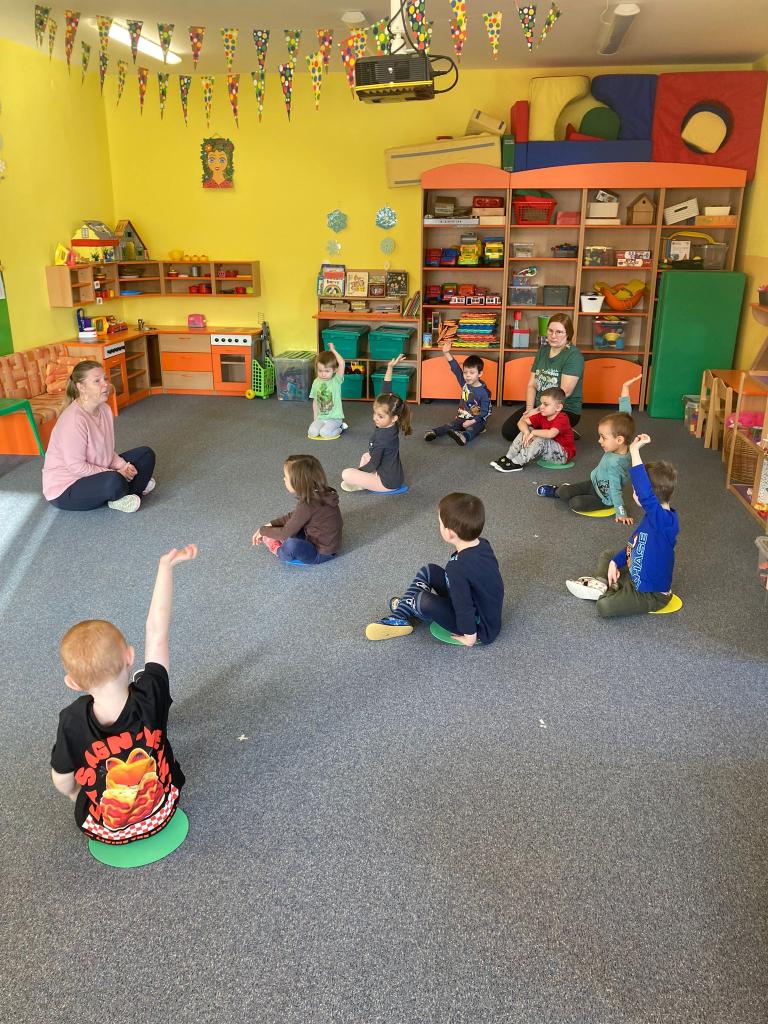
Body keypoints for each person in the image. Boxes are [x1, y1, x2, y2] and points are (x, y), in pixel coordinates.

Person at [50, 544, 197, 844]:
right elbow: (157, 632)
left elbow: (61, 778)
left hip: (104, 829)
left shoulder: (72, 720)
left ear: (73, 683)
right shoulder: (151, 693)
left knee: (77, 789)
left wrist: (75, 795)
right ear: (130, 657)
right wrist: (165, 568)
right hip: (162, 810)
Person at [365, 492, 503, 645]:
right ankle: (403, 611)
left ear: (449, 533)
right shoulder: (483, 544)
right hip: (480, 606)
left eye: (440, 523)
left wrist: (470, 637)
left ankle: (406, 610)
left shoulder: (457, 569)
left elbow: (464, 606)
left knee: (423, 600)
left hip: (478, 627)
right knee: (429, 571)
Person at [566, 434, 679, 617]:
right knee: (609, 555)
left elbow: (644, 492)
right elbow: (634, 544)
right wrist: (615, 563)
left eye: (635, 491)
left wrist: (634, 450)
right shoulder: (652, 518)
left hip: (650, 593)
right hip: (636, 571)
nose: (634, 493)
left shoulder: (664, 522)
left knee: (604, 607)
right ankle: (604, 584)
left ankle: (606, 589)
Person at [42, 360, 156, 513]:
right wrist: (115, 473)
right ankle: (127, 491)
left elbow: (105, 451)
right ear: (81, 387)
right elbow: (76, 467)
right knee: (114, 481)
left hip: (96, 471)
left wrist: (123, 466)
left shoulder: (105, 410)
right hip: (66, 488)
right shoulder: (73, 420)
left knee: (146, 454)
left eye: (105, 379)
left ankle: (123, 495)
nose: (105, 384)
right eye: (97, 381)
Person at [537, 373, 641, 523]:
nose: (599, 441)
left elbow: (616, 490)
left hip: (604, 498)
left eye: (603, 437)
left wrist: (621, 513)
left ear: (619, 440)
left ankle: (581, 497)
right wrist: (625, 388)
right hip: (594, 483)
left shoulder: (615, 465)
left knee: (575, 503)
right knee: (564, 492)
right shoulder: (622, 437)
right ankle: (557, 490)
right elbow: (625, 414)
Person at [500, 313, 584, 442]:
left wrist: (537, 411)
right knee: (508, 432)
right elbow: (532, 385)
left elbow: (563, 393)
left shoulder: (574, 356)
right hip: (540, 405)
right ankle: (560, 432)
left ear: (568, 334)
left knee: (535, 432)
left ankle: (562, 430)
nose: (553, 336)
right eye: (550, 331)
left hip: (563, 409)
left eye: (559, 332)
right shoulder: (543, 350)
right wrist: (530, 410)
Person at [252, 454, 342, 565]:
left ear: (298, 482)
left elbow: (285, 534)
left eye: (286, 477)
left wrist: (263, 531)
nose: (284, 479)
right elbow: (295, 516)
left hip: (320, 553)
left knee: (291, 545)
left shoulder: (307, 505)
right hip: (327, 544)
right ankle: (281, 535)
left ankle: (277, 550)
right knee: (292, 526)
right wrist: (271, 524)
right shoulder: (322, 493)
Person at [341, 355, 412, 493]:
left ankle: (364, 483)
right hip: (392, 476)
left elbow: (374, 464)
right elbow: (385, 392)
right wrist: (390, 368)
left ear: (394, 418)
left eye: (380, 416)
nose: (375, 418)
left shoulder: (383, 439)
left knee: (347, 474)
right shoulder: (391, 422)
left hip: (386, 482)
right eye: (375, 413)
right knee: (365, 455)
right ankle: (364, 481)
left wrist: (357, 472)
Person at [490, 386, 575, 473]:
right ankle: (509, 457)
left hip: (563, 455)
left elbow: (551, 434)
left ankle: (517, 463)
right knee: (527, 429)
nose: (541, 407)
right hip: (549, 451)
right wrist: (527, 432)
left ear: (558, 407)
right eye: (541, 404)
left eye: (546, 404)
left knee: (540, 438)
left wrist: (534, 432)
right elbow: (521, 422)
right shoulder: (542, 415)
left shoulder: (562, 418)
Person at [424, 343, 491, 446]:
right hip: (462, 417)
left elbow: (485, 412)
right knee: (450, 425)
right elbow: (455, 368)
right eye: (465, 372)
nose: (467, 376)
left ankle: (464, 437)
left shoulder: (484, 392)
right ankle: (434, 432)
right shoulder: (464, 383)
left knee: (474, 429)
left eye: (471, 373)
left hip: (478, 420)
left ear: (480, 374)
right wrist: (446, 353)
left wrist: (472, 421)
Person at [308, 344, 346, 440]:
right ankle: (323, 426)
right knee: (312, 432)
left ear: (334, 370)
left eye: (327, 371)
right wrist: (315, 419)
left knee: (325, 433)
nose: (323, 374)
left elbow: (342, 363)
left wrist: (333, 350)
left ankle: (340, 427)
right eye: (320, 371)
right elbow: (315, 401)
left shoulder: (336, 380)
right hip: (321, 418)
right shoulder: (316, 382)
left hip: (334, 419)